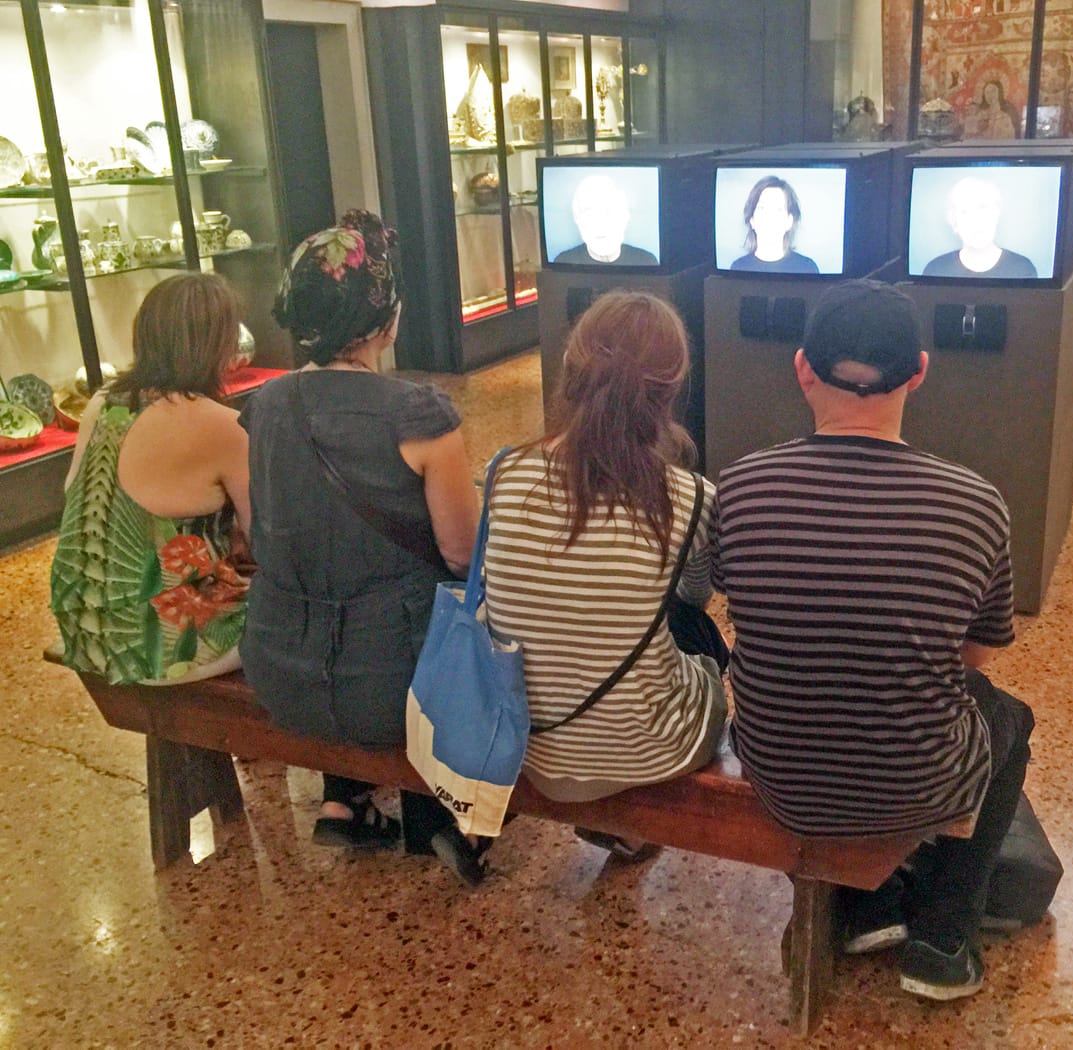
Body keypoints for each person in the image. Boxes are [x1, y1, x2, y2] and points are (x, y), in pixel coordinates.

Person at [711, 280, 1035, 1002]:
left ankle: (868, 906)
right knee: (1008, 718)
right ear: (919, 370)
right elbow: (974, 659)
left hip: (777, 776)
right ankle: (943, 939)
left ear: (802, 368)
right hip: (915, 783)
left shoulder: (741, 485)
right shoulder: (975, 503)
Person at [238, 210, 484, 880]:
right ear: (386, 321)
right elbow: (463, 555)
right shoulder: (418, 414)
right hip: (394, 683)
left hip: (280, 668)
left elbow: (263, 534)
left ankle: (345, 801)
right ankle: (448, 815)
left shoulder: (263, 409)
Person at [483, 291, 728, 857]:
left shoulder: (505, 471)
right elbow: (692, 596)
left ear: (571, 366)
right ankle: (626, 821)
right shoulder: (691, 498)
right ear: (669, 391)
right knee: (703, 651)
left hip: (533, 745)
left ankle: (617, 824)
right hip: (653, 749)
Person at [50, 273, 251, 686]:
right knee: (304, 615)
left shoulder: (103, 403)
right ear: (220, 346)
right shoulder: (222, 423)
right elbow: (267, 541)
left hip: (86, 631)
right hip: (160, 649)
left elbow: (72, 493)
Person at [922, 176, 1038, 278]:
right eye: (965, 212)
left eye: (982, 209)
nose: (975, 220)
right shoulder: (935, 269)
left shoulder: (1023, 268)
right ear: (954, 223)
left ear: (996, 215)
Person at [553, 174, 658, 265]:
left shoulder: (646, 261)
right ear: (577, 219)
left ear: (625, 217)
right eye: (590, 213)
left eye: (609, 211)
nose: (600, 223)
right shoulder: (563, 261)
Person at [729, 175, 820, 274]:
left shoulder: (807, 268)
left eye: (778, 209)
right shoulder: (738, 267)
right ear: (752, 220)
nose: (769, 216)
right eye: (762, 208)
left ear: (789, 221)